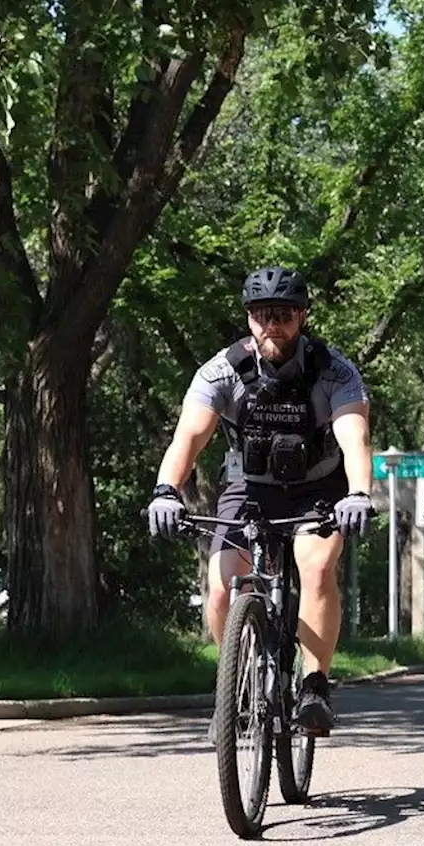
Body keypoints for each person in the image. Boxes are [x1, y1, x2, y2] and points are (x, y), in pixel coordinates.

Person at [146, 267, 374, 737]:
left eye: (285, 315)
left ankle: (314, 686)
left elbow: (356, 437)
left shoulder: (334, 371)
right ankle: (231, 694)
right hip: (249, 488)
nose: (274, 324)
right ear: (249, 319)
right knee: (223, 585)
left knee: (315, 568)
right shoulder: (223, 370)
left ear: (303, 317)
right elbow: (188, 437)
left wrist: (359, 493)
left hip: (319, 487)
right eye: (263, 315)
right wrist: (166, 491)